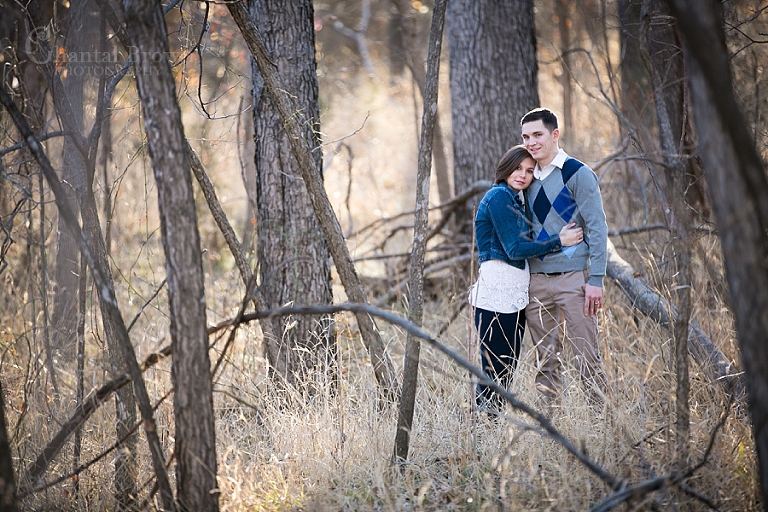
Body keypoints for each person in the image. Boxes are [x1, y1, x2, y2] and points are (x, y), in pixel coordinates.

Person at [469, 145, 583, 413]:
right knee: (494, 371)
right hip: (496, 297)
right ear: (506, 168)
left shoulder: (517, 199)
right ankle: (483, 428)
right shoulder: (498, 196)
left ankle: (491, 427)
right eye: (518, 168)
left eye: (530, 171)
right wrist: (559, 241)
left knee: (505, 370)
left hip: (515, 297)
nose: (523, 175)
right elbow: (514, 249)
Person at [520, 107, 608, 405]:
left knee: (587, 357)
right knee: (545, 361)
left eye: (538, 135)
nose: (531, 142)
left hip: (573, 279)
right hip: (536, 280)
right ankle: (550, 421)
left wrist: (596, 279)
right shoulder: (525, 176)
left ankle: (600, 422)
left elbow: (597, 227)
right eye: (526, 137)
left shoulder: (577, 173)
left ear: (555, 134)